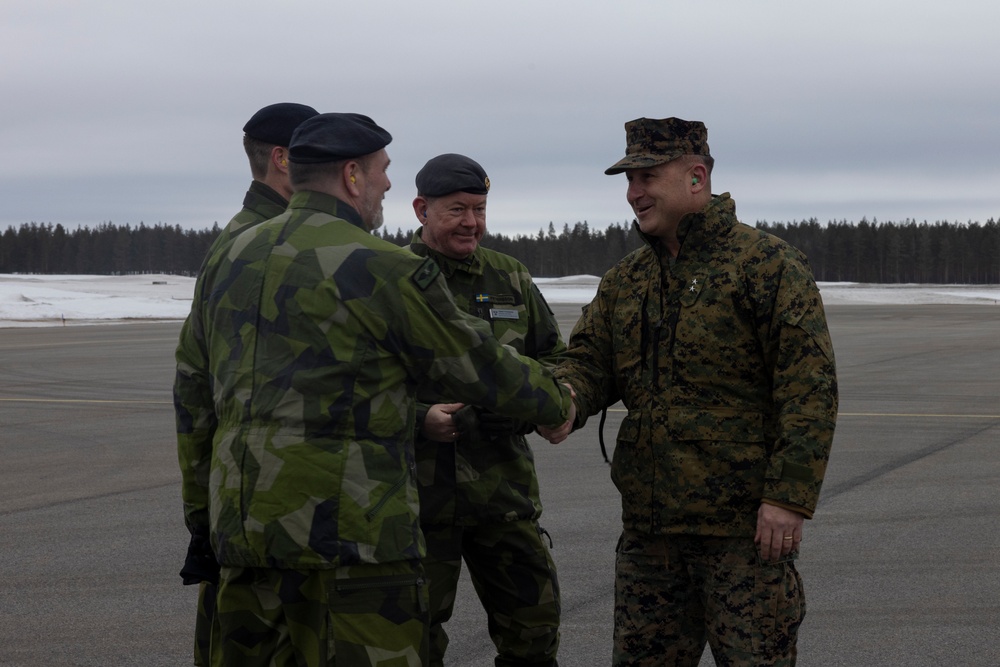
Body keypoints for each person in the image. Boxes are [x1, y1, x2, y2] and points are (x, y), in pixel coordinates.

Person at [173, 112, 576, 667]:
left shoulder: (230, 255)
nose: (387, 183)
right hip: (349, 539)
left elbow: (193, 395)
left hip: (245, 536)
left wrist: (203, 517)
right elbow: (479, 362)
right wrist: (557, 402)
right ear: (352, 175)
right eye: (383, 172)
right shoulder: (381, 265)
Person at [542, 117, 838, 666]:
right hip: (651, 536)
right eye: (628, 181)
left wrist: (788, 498)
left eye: (647, 177)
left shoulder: (767, 267)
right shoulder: (627, 280)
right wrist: (564, 401)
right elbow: (589, 362)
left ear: (696, 177)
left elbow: (809, 390)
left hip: (744, 535)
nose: (634, 194)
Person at [408, 154, 564, 667]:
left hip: (504, 496)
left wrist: (524, 412)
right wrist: (419, 419)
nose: (471, 222)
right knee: (413, 641)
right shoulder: (391, 280)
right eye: (456, 210)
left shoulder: (509, 279)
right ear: (421, 210)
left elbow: (556, 363)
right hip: (417, 503)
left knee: (533, 635)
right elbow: (352, 383)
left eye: (479, 209)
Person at [176, 101, 318, 667]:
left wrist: (203, 512)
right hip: (274, 510)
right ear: (283, 160)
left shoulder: (239, 241)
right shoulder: (270, 246)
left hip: (240, 503)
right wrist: (201, 518)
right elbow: (196, 387)